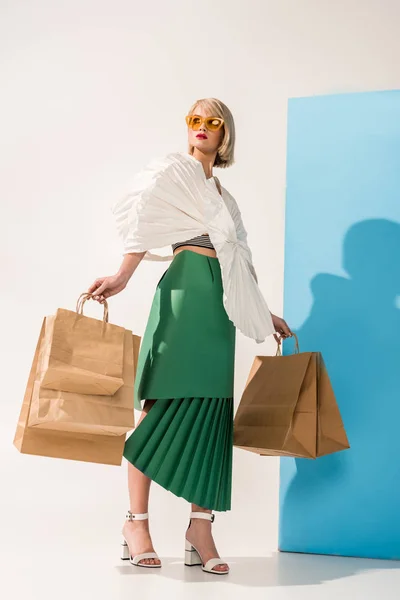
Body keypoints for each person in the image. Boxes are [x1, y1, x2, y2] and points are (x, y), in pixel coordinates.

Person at [87, 97, 292, 574]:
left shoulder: (226, 197)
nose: (201, 127)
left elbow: (240, 260)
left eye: (211, 121)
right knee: (159, 406)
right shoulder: (173, 172)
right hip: (181, 297)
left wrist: (264, 311)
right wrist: (120, 278)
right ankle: (135, 522)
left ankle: (201, 528)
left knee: (212, 412)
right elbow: (142, 226)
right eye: (194, 120)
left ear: (225, 135)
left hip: (219, 310)